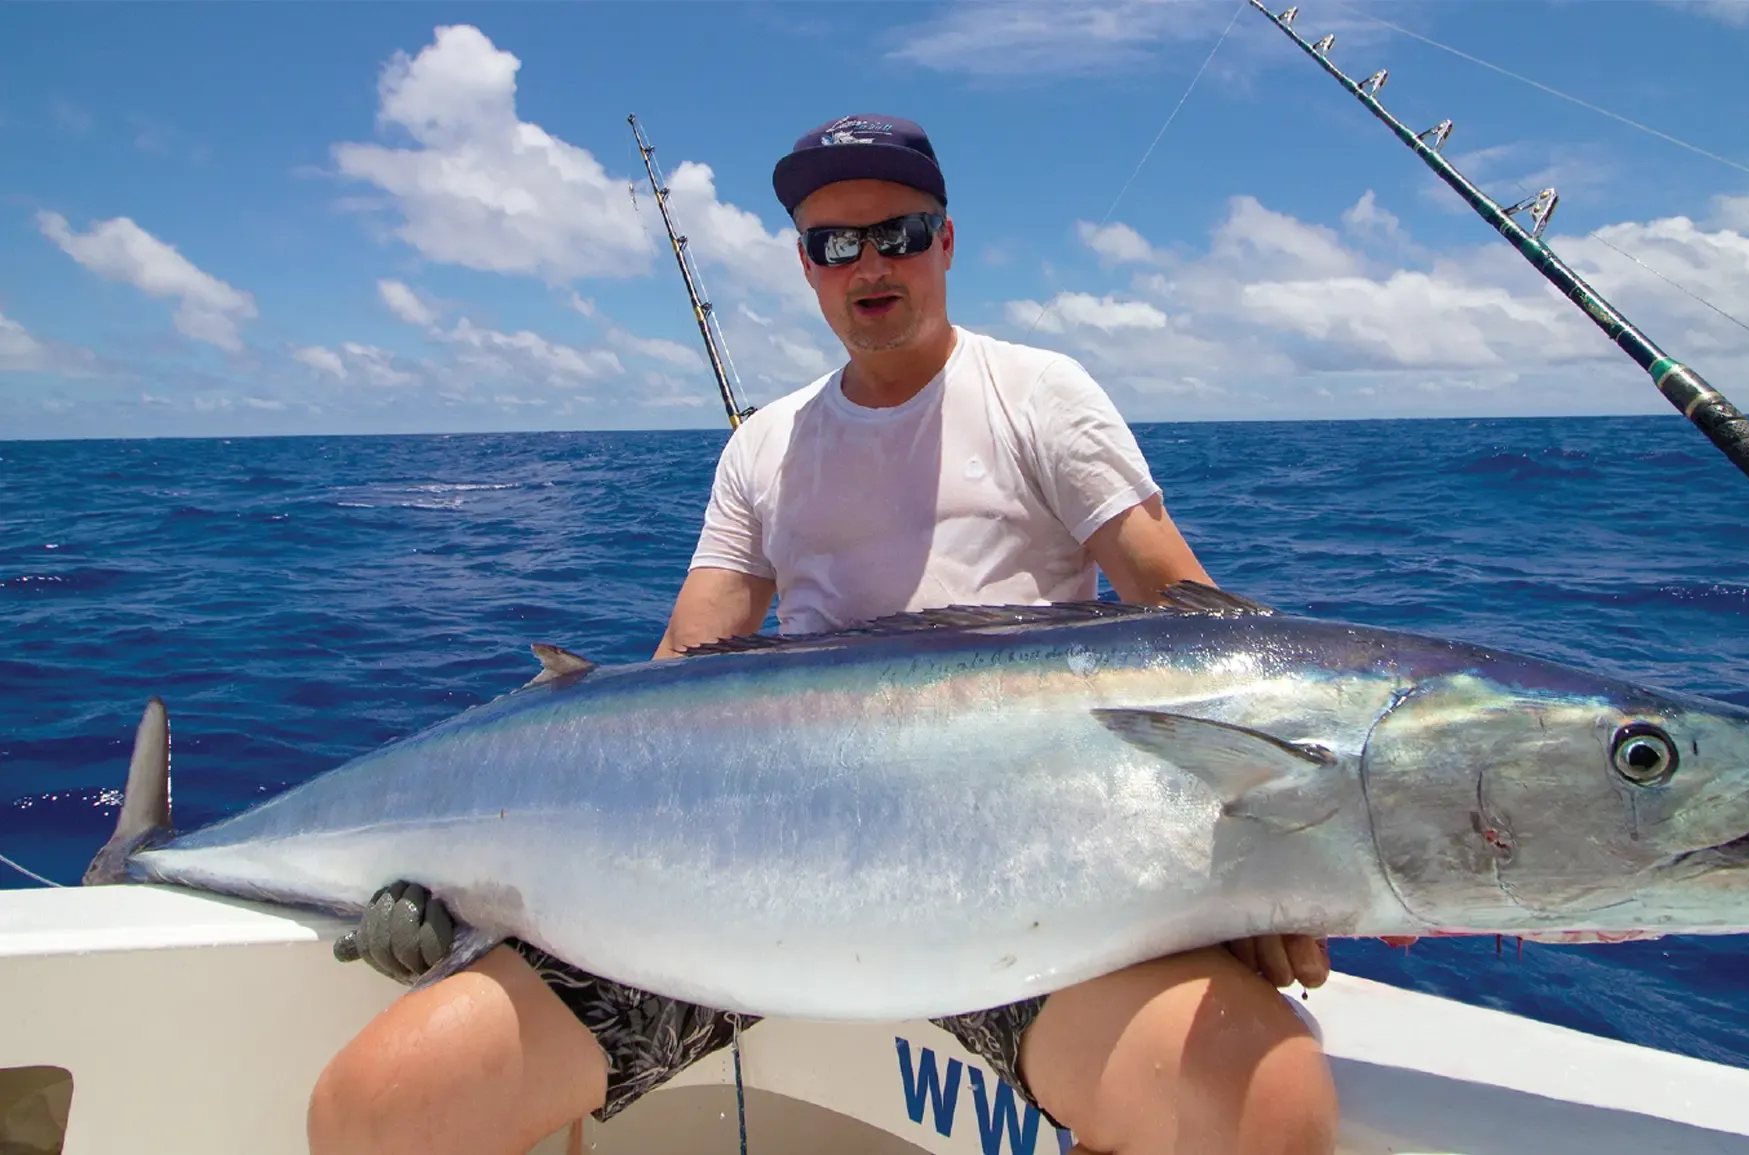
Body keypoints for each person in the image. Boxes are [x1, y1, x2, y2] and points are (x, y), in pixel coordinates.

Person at [309, 114, 1338, 1155]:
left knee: (1259, 1103)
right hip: (725, 900)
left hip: (1026, 904)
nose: (868, 263)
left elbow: (1197, 642)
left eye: (897, 231)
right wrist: (465, 888)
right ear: (805, 265)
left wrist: (1251, 862)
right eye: (832, 243)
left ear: (945, 241)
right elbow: (668, 694)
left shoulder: (1040, 397)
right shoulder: (764, 447)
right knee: (377, 1110)